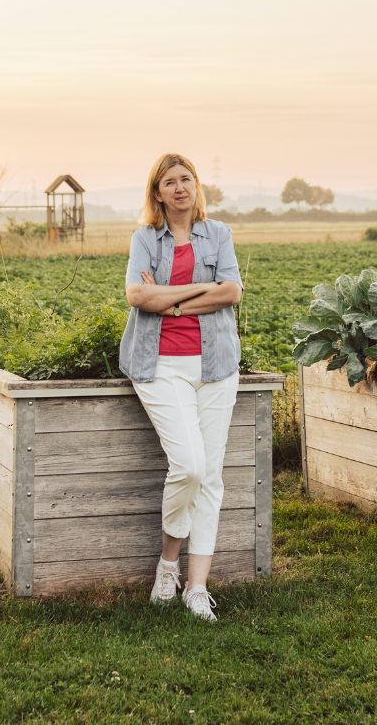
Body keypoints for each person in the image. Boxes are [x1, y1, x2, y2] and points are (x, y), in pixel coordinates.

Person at [119, 153, 244, 622]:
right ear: (157, 193)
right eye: (169, 182)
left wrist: (167, 301)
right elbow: (137, 296)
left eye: (186, 179)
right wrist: (198, 291)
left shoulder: (220, 234)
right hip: (160, 366)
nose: (179, 188)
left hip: (216, 366)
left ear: (196, 187)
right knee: (189, 465)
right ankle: (167, 564)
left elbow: (231, 291)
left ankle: (196, 588)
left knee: (210, 476)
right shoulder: (144, 240)